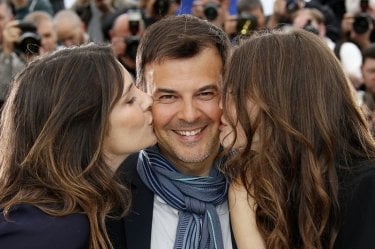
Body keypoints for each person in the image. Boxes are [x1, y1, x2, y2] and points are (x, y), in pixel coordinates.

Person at [219, 28, 375, 249]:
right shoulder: (262, 184)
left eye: (234, 93)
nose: (219, 107)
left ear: (280, 100)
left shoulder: (367, 188)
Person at [0, 43, 157, 248]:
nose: (148, 100)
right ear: (85, 128)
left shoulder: (62, 212)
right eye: (129, 100)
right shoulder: (50, 230)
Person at [106, 14, 234, 249]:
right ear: (143, 96)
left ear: (228, 92)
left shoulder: (265, 187)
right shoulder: (107, 197)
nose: (189, 115)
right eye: (168, 97)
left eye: (205, 93)